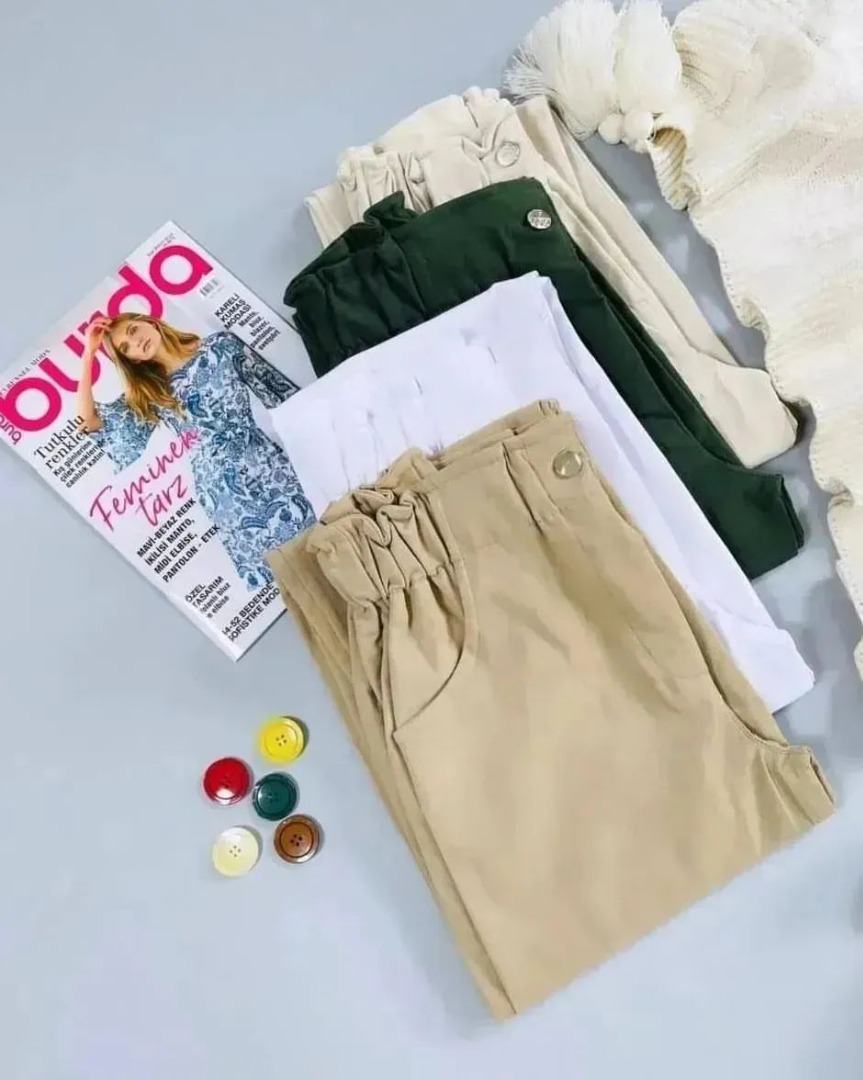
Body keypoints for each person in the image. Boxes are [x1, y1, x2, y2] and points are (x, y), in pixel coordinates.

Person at [77, 312, 315, 590]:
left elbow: (276, 389)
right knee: (289, 579)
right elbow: (90, 421)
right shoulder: (151, 394)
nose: (136, 343)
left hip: (266, 463)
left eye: (133, 330)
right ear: (133, 361)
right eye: (126, 348)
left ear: (150, 323)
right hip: (221, 492)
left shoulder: (221, 346)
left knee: (326, 540)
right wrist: (88, 354)